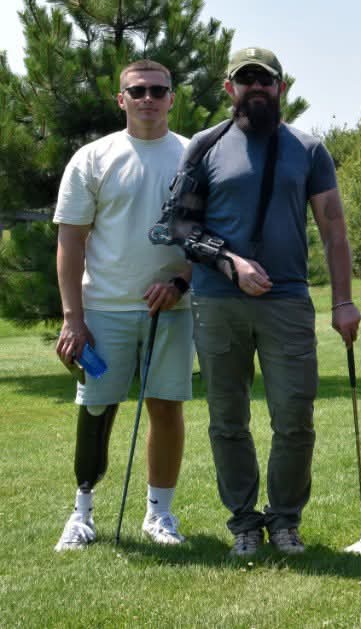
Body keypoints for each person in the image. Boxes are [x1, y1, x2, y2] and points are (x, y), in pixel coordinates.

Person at [174, 47, 360, 557]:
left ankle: (284, 522)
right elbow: (182, 227)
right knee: (227, 418)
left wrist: (343, 301)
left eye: (266, 80)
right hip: (216, 301)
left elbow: (334, 229)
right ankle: (244, 524)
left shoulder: (308, 148)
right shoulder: (203, 146)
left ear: (281, 88)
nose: (256, 87)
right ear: (229, 88)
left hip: (288, 301)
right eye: (246, 79)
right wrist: (229, 263)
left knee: (295, 416)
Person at [52, 59, 195, 550]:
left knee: (165, 408)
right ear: (122, 99)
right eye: (138, 91)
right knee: (95, 409)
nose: (149, 99)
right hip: (104, 310)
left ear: (172, 97)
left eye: (159, 90)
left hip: (171, 310)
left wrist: (181, 279)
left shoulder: (193, 156)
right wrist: (73, 318)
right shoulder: (93, 158)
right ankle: (82, 512)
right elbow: (70, 243)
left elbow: (211, 237)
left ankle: (159, 515)